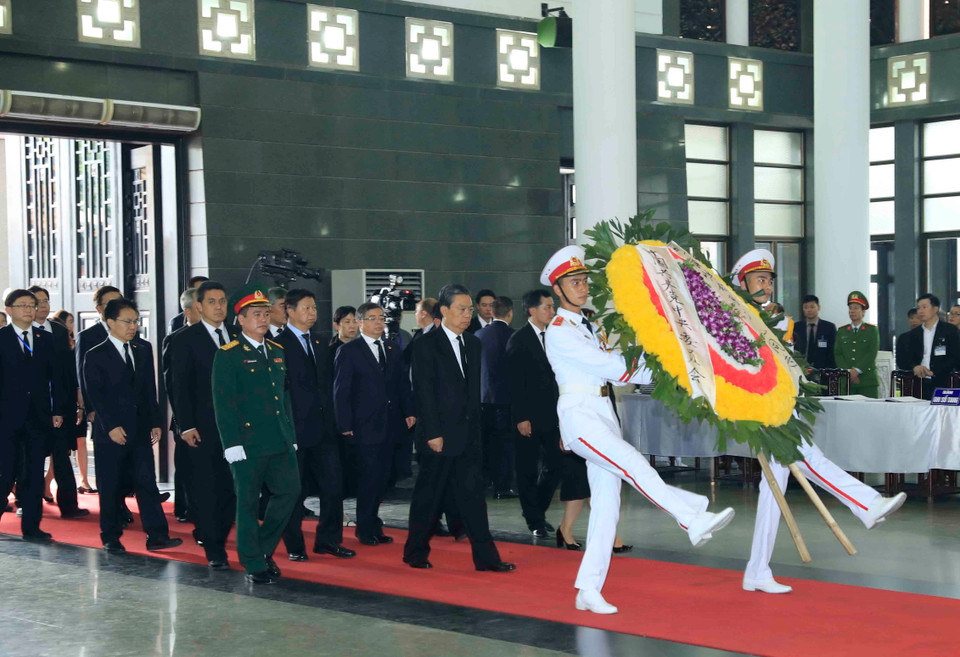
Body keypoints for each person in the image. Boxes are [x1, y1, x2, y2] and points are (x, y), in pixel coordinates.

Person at [541, 246, 732, 615]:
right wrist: (661, 360)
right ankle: (690, 516)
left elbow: (623, 368)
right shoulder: (561, 331)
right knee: (632, 462)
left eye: (584, 281)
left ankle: (588, 589)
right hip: (579, 414)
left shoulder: (590, 325)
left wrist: (669, 357)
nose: (582, 287)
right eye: (574, 282)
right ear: (558, 291)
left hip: (601, 412)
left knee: (607, 507)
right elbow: (616, 369)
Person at [731, 250, 906, 594]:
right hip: (763, 409)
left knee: (773, 491)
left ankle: (757, 569)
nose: (766, 286)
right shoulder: (733, 320)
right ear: (742, 283)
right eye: (758, 280)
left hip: (785, 404)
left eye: (769, 280)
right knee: (809, 459)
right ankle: (866, 504)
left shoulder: (783, 322)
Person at [403, 284, 514, 573]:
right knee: (429, 496)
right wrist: (433, 434)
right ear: (444, 310)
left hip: (468, 435)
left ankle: (487, 559)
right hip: (438, 435)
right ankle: (415, 551)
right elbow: (424, 392)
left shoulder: (473, 343)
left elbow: (472, 392)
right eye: (462, 309)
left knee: (474, 498)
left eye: (471, 310)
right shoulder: (426, 344)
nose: (468, 315)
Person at [212, 285, 300, 584]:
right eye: (256, 314)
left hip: (279, 439)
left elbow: (283, 398)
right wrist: (231, 443)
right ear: (241, 319)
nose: (263, 318)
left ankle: (260, 549)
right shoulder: (229, 355)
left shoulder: (276, 351)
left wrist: (290, 432)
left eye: (266, 313)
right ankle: (253, 563)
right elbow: (223, 403)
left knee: (289, 492)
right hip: (247, 444)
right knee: (247, 503)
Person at [83, 298, 182, 553]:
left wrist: (155, 422)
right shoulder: (95, 355)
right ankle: (110, 536)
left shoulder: (143, 348)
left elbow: (150, 390)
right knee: (111, 485)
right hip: (111, 433)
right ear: (110, 322)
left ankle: (157, 535)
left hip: (139, 430)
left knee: (146, 482)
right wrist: (110, 426)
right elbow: (96, 395)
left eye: (136, 321)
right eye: (127, 321)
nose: (133, 326)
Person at [276, 289, 354, 561]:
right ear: (290, 311)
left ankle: (329, 540)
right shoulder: (278, 344)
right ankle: (295, 545)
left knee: (333, 486)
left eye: (314, 308)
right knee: (294, 492)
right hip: (295, 430)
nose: (312, 313)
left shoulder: (322, 343)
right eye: (306, 308)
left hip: (324, 429)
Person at [169, 281, 238, 569]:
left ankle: (221, 535)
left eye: (223, 301)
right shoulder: (184, 339)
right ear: (198, 306)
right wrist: (185, 426)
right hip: (202, 428)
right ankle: (214, 548)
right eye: (212, 301)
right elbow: (177, 386)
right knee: (207, 489)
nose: (219, 306)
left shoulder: (237, 335)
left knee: (232, 490)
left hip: (237, 428)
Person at [335, 302, 415, 545]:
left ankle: (374, 523)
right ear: (360, 323)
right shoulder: (350, 351)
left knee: (386, 476)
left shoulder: (392, 348)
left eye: (381, 318)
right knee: (369, 477)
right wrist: (344, 423)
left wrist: (409, 411)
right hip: (364, 425)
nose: (379, 322)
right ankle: (366, 527)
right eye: (372, 318)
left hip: (392, 424)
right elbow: (341, 390)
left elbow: (403, 384)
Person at [0, 289, 64, 543]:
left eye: (32, 305)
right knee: (6, 471)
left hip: (38, 417)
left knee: (34, 472)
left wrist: (58, 410)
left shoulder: (45, 339)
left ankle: (32, 527)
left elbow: (57, 378)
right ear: (9, 309)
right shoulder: (2, 338)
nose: (29, 309)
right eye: (22, 305)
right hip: (6, 417)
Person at [506, 289, 562, 538]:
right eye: (547, 307)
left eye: (553, 306)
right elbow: (514, 383)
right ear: (532, 310)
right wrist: (521, 417)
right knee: (527, 468)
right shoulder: (519, 340)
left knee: (556, 464)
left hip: (554, 414)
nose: (552, 311)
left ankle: (537, 509)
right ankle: (534, 519)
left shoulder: (558, 336)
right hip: (528, 416)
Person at [28, 286, 87, 519]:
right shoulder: (23, 332)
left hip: (61, 405)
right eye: (38, 301)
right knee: (31, 459)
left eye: (46, 300)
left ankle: (69, 506)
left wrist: (78, 398)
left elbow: (68, 369)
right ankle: (27, 502)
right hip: (33, 407)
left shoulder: (60, 331)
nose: (43, 305)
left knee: (62, 456)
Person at [162, 288, 201, 523]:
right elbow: (173, 384)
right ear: (187, 311)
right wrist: (183, 421)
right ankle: (184, 507)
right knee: (186, 465)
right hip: (186, 417)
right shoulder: (176, 339)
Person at [477, 296, 518, 498]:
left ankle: (486, 480)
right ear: (510, 313)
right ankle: (503, 486)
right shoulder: (515, 336)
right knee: (505, 445)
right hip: (506, 399)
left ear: (491, 313)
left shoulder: (477, 335)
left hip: (482, 400)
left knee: (485, 443)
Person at [53, 310, 96, 494]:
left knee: (80, 443)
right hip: (67, 400)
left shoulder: (75, 343)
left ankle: (85, 480)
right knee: (62, 449)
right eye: (69, 321)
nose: (72, 325)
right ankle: (46, 485)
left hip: (77, 401)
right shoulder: (61, 345)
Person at [896, 293, 960, 400]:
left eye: (924, 307)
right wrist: (915, 367)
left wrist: (935, 371)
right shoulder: (912, 335)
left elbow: (955, 356)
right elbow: (903, 359)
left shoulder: (950, 331)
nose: (920, 311)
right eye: (918, 308)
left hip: (944, 381)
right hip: (917, 381)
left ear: (935, 309)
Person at [834, 291, 880, 398]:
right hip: (846, 380)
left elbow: (871, 353)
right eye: (850, 308)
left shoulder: (872, 330)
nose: (852, 311)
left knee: (868, 412)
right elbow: (838, 354)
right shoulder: (842, 331)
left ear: (863, 312)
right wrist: (850, 372)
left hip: (867, 380)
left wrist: (857, 371)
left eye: (856, 308)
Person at [793, 294, 837, 371]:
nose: (809, 310)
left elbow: (833, 351)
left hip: (823, 371)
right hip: (801, 370)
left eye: (812, 307)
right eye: (805, 307)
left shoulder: (829, 327)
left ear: (818, 308)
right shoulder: (796, 327)